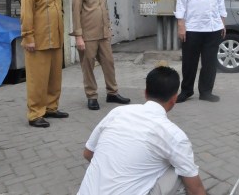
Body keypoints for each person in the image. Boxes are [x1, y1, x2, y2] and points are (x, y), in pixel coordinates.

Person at [78, 66, 206, 195]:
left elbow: (88, 153)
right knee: (180, 173)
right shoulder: (173, 135)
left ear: (145, 93)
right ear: (174, 99)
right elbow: (196, 189)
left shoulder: (117, 112)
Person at [71, 0, 130, 111]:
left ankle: (112, 93)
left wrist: (108, 29)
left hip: (104, 35)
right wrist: (78, 37)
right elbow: (76, 14)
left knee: (109, 63)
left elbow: (106, 10)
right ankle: (91, 96)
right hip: (88, 37)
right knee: (88, 67)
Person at [20, 0, 68, 128]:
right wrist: (28, 37)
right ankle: (35, 114)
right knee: (37, 81)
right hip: (37, 43)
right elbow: (26, 15)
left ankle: (51, 108)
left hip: (55, 41)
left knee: (55, 79)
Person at [174, 0, 226, 103]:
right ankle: (186, 90)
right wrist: (181, 25)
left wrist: (222, 23)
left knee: (210, 63)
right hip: (193, 28)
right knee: (189, 62)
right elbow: (181, 1)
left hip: (213, 27)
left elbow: (220, 1)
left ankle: (206, 91)